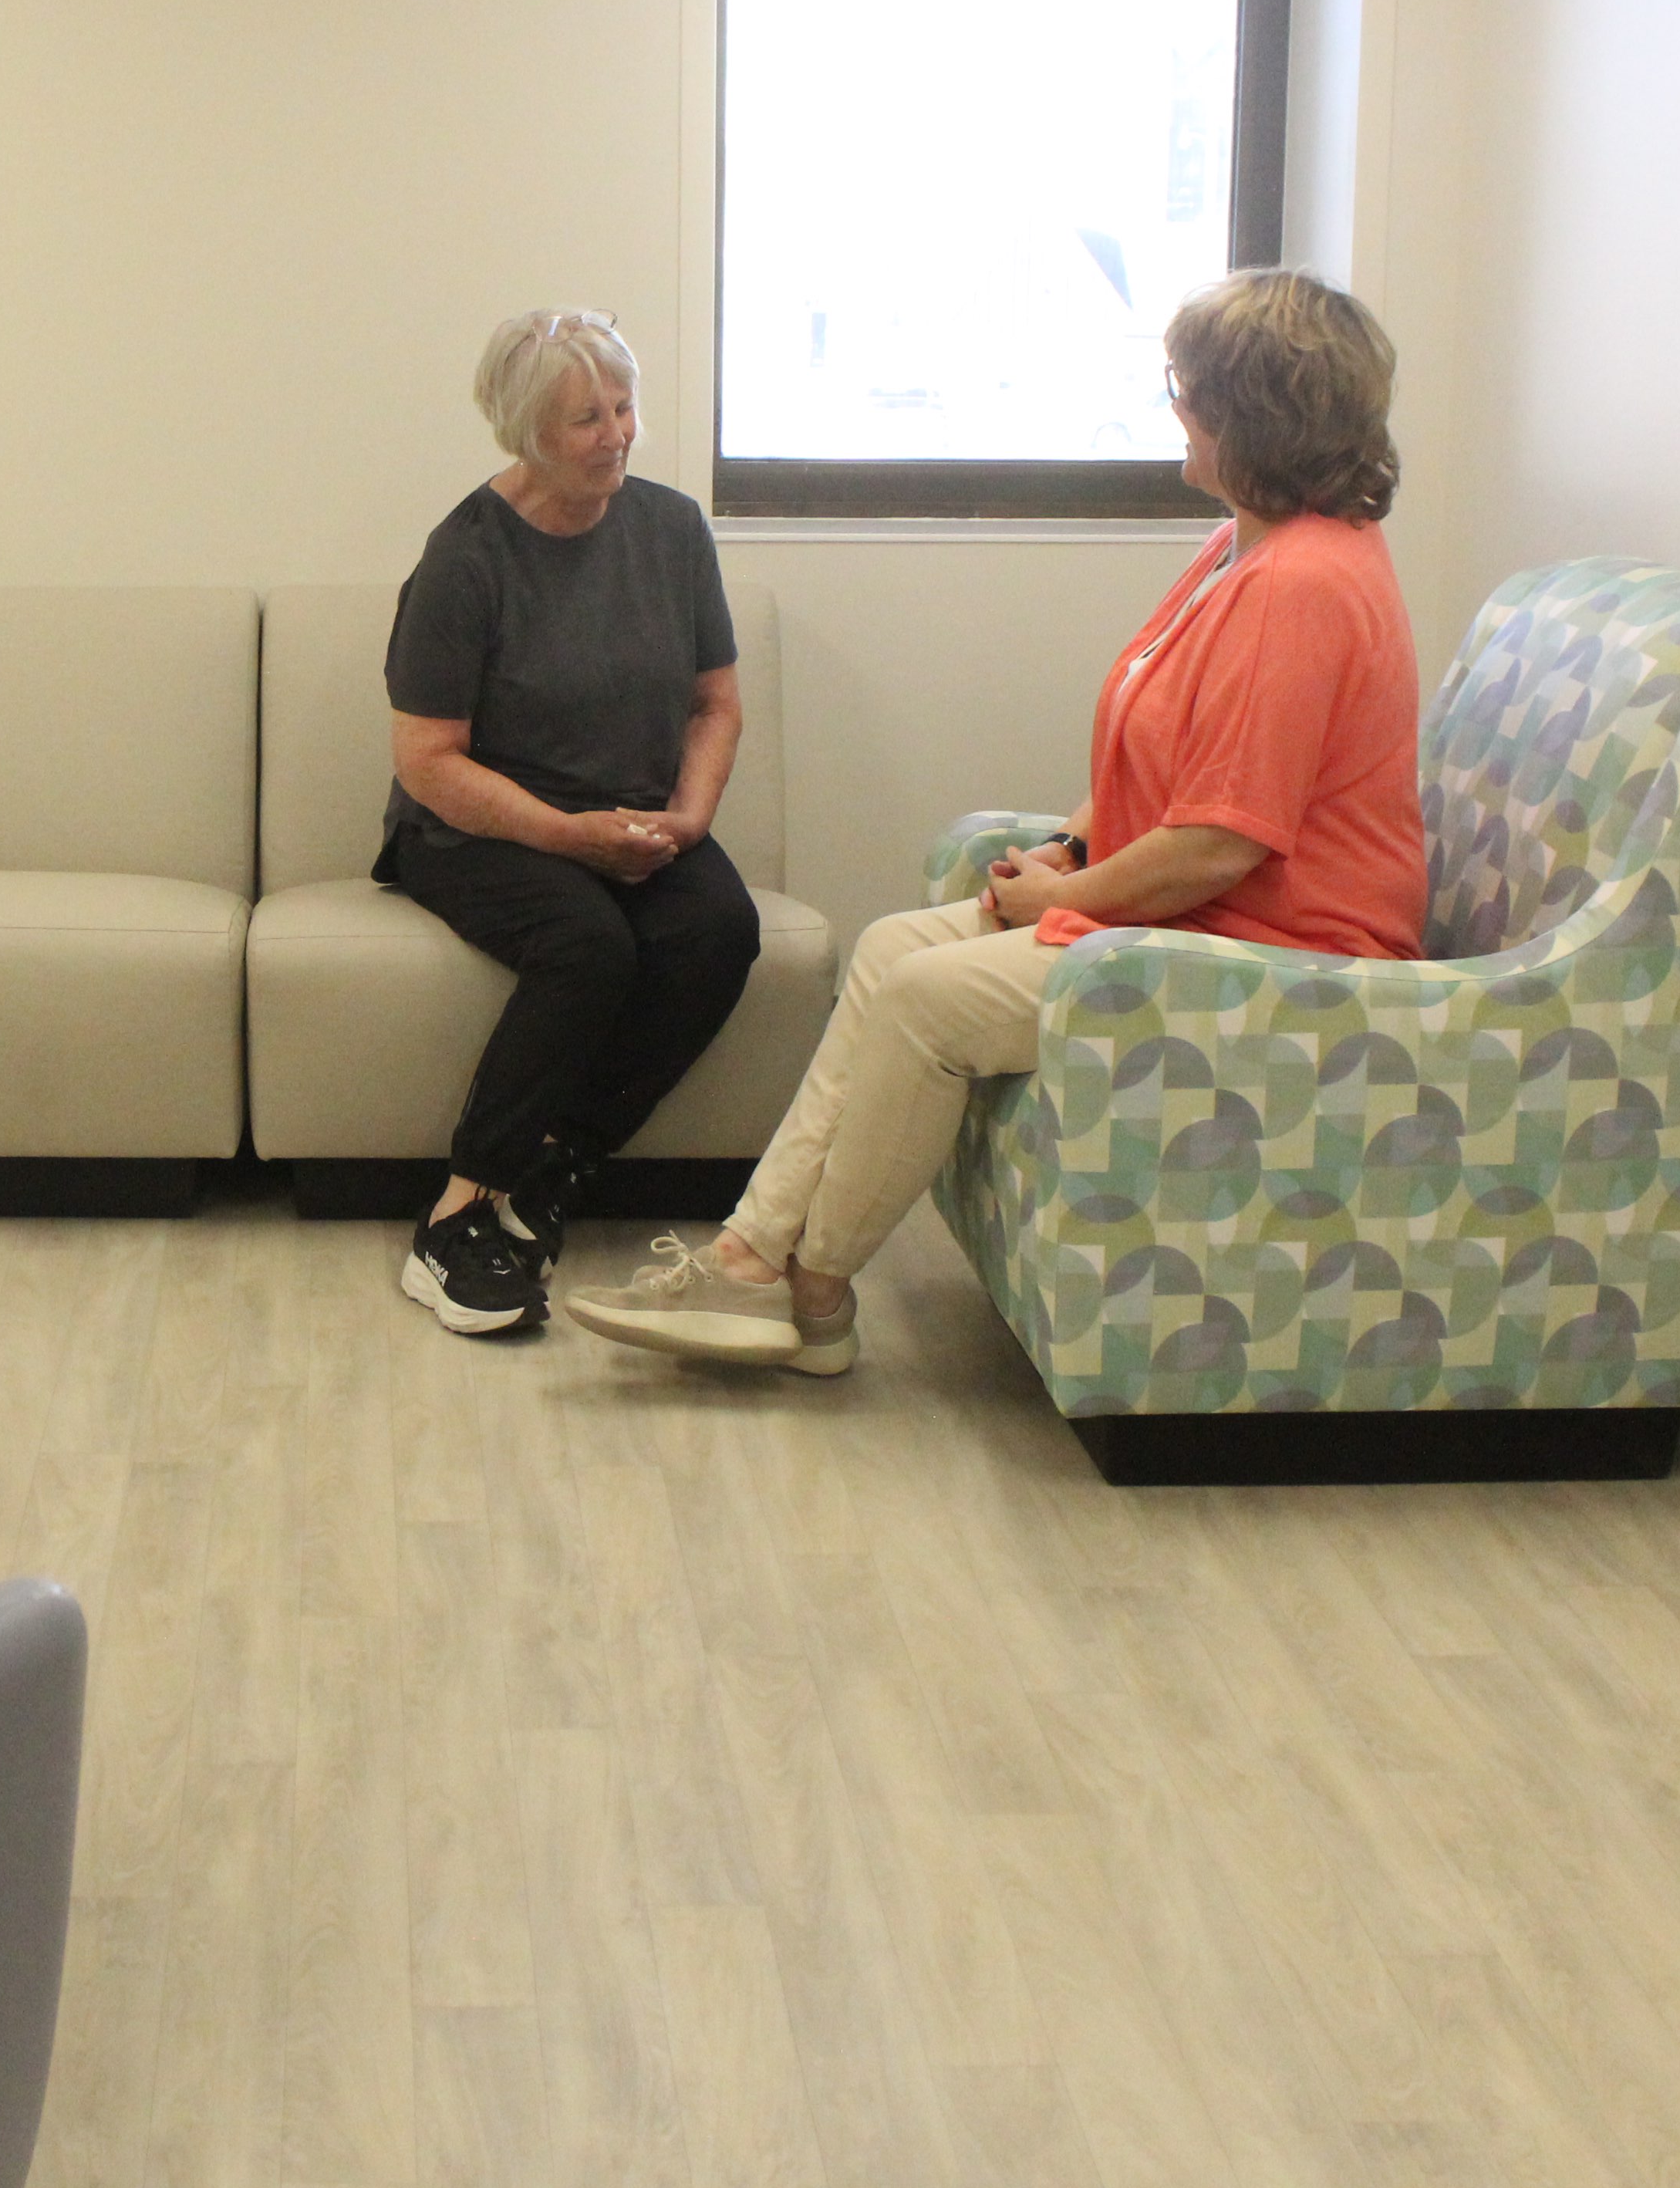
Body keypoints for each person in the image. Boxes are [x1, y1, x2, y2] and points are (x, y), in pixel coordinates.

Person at [565, 269, 1427, 1373]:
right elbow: (1157, 765)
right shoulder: (1239, 550)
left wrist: (1064, 901)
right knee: (891, 949)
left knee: (929, 1002)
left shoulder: (1303, 583)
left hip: (1280, 949)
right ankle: (750, 1264)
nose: (1173, 405)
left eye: (1184, 385)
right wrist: (1069, 846)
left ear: (1245, 411)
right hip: (1209, 914)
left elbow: (1221, 841)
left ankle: (813, 1291)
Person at [384, 309, 761, 1336]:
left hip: (638, 817)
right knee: (588, 946)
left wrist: (685, 821)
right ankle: (459, 1212)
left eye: (623, 407)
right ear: (526, 434)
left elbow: (714, 703)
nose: (617, 434)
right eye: (585, 419)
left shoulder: (673, 530)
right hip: (481, 829)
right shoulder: (464, 559)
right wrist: (567, 837)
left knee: (720, 929)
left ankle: (555, 1169)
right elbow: (427, 760)